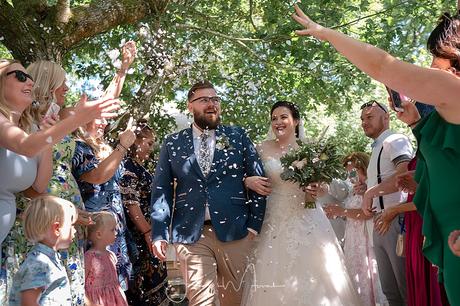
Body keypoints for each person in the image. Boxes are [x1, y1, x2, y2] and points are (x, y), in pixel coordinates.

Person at [292, 4, 460, 304]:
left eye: (437, 58)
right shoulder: (444, 110)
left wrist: (326, 33)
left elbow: (384, 67)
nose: (431, 68)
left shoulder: (452, 88)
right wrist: (416, 124)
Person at [150, 80, 266, 306]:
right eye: (204, 100)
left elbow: (260, 181)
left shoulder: (237, 136)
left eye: (215, 99)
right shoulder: (173, 142)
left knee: (235, 300)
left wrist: (254, 226)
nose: (211, 104)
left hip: (236, 232)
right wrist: (159, 232)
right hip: (190, 234)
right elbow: (161, 189)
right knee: (201, 301)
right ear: (190, 106)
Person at [241, 101, 360, 305]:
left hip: (307, 215)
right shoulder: (260, 148)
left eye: (283, 117)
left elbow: (323, 186)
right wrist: (247, 181)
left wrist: (318, 189)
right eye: (274, 118)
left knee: (317, 270)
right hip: (272, 217)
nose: (278, 122)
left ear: (296, 121)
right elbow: (239, 175)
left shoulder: (311, 150)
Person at [72, 116, 136, 292]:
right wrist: (122, 146)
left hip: (115, 228)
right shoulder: (78, 147)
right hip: (95, 230)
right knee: (98, 287)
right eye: (99, 118)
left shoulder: (105, 148)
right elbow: (96, 177)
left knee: (117, 288)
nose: (105, 123)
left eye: (106, 119)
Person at [323, 152, 385, 306]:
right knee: (354, 275)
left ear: (363, 168)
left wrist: (341, 211)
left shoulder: (372, 186)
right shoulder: (354, 188)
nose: (350, 175)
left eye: (354, 171)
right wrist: (338, 213)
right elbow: (351, 213)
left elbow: (366, 214)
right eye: (348, 171)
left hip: (365, 239)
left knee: (369, 275)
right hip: (352, 238)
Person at [120, 120, 168, 306]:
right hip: (139, 238)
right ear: (135, 142)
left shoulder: (139, 167)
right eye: (148, 143)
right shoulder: (129, 167)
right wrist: (148, 233)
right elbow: (131, 203)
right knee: (143, 287)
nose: (151, 149)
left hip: (148, 234)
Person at [8, 195, 77, 305]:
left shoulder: (49, 259)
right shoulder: (40, 263)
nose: (74, 230)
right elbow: (28, 302)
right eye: (72, 225)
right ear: (57, 228)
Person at [85, 211, 129, 306]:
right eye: (112, 230)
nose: (116, 232)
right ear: (99, 234)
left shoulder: (111, 255)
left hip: (114, 299)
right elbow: (82, 283)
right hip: (98, 301)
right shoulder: (89, 257)